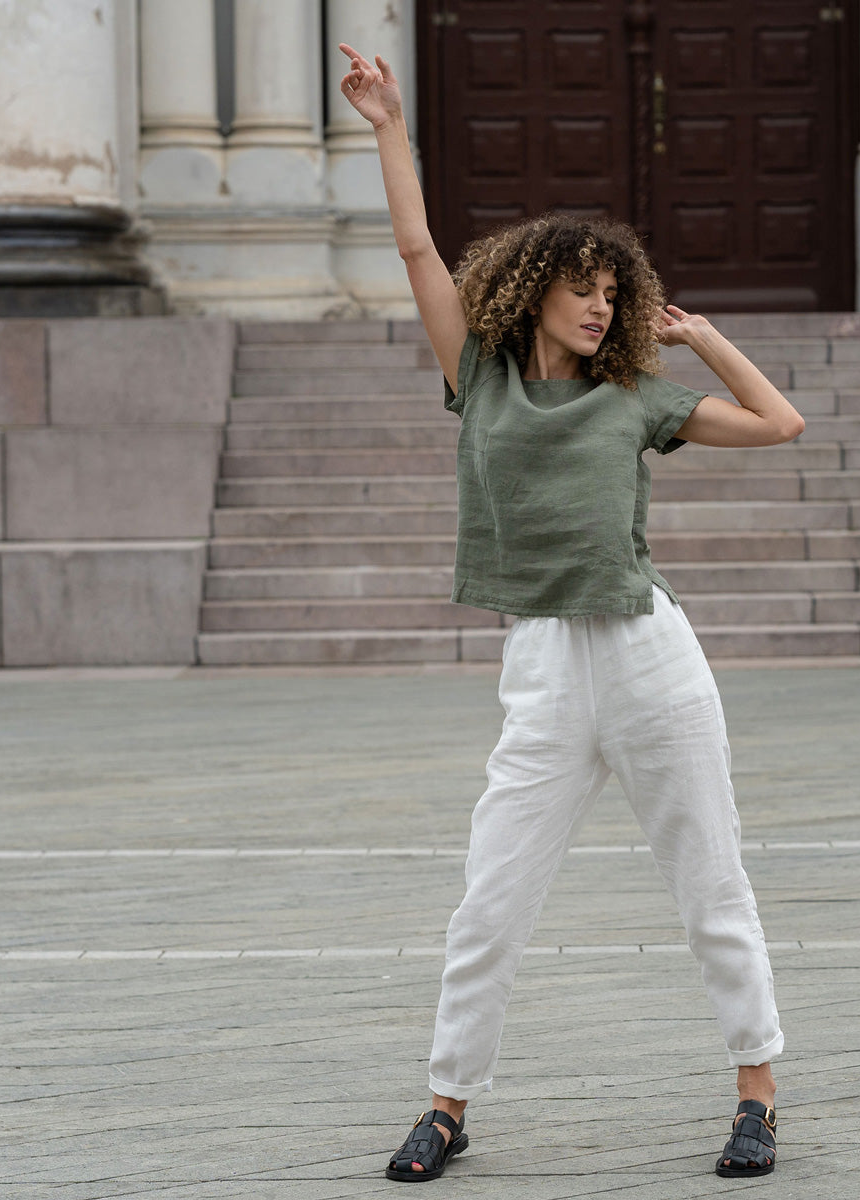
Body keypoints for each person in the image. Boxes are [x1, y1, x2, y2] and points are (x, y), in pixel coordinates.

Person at [338, 43, 805, 1183]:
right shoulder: (481, 374)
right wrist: (389, 126)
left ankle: (756, 1095)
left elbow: (780, 424)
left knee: (711, 883)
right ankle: (447, 1107)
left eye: (616, 294)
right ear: (533, 287)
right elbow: (414, 248)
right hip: (544, 667)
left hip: (651, 657)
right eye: (584, 289)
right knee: (490, 901)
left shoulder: (639, 395)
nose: (603, 306)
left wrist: (700, 341)